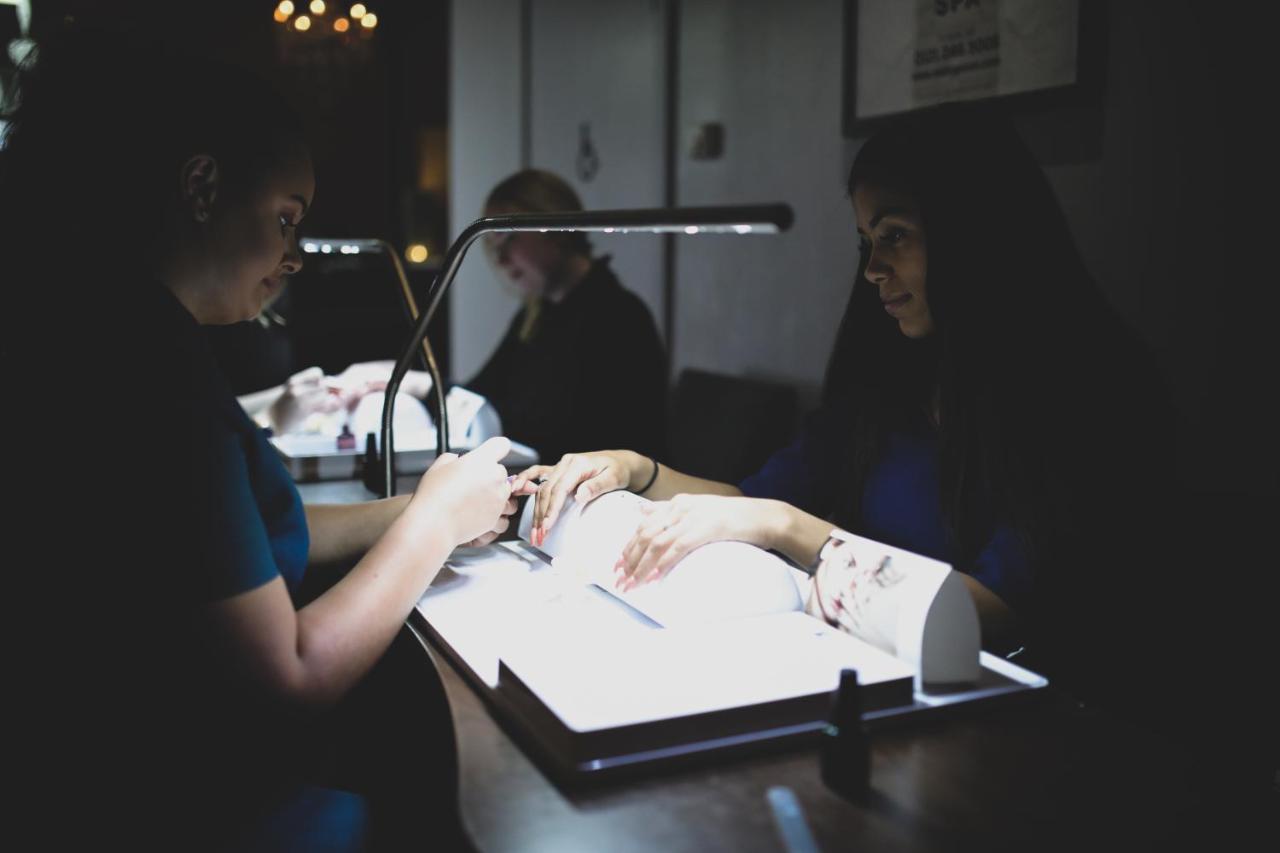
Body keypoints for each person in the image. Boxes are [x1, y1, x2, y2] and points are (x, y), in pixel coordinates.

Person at [1, 29, 512, 850]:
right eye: (285, 219)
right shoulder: (145, 366)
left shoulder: (95, 320)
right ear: (201, 186)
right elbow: (290, 673)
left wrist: (412, 507)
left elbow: (238, 535)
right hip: (168, 804)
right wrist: (435, 526)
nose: (294, 256)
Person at [514, 104, 1179, 701]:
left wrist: (788, 529)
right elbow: (752, 497)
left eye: (895, 236)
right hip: (877, 683)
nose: (872, 270)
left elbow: (985, 612)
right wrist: (635, 470)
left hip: (1023, 723)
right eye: (867, 242)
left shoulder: (1088, 394)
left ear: (975, 229)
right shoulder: (892, 384)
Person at [464, 168, 668, 463]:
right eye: (492, 248)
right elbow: (484, 392)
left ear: (554, 228)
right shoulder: (535, 315)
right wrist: (425, 385)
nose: (501, 260)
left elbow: (565, 431)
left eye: (508, 240)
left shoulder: (618, 317)